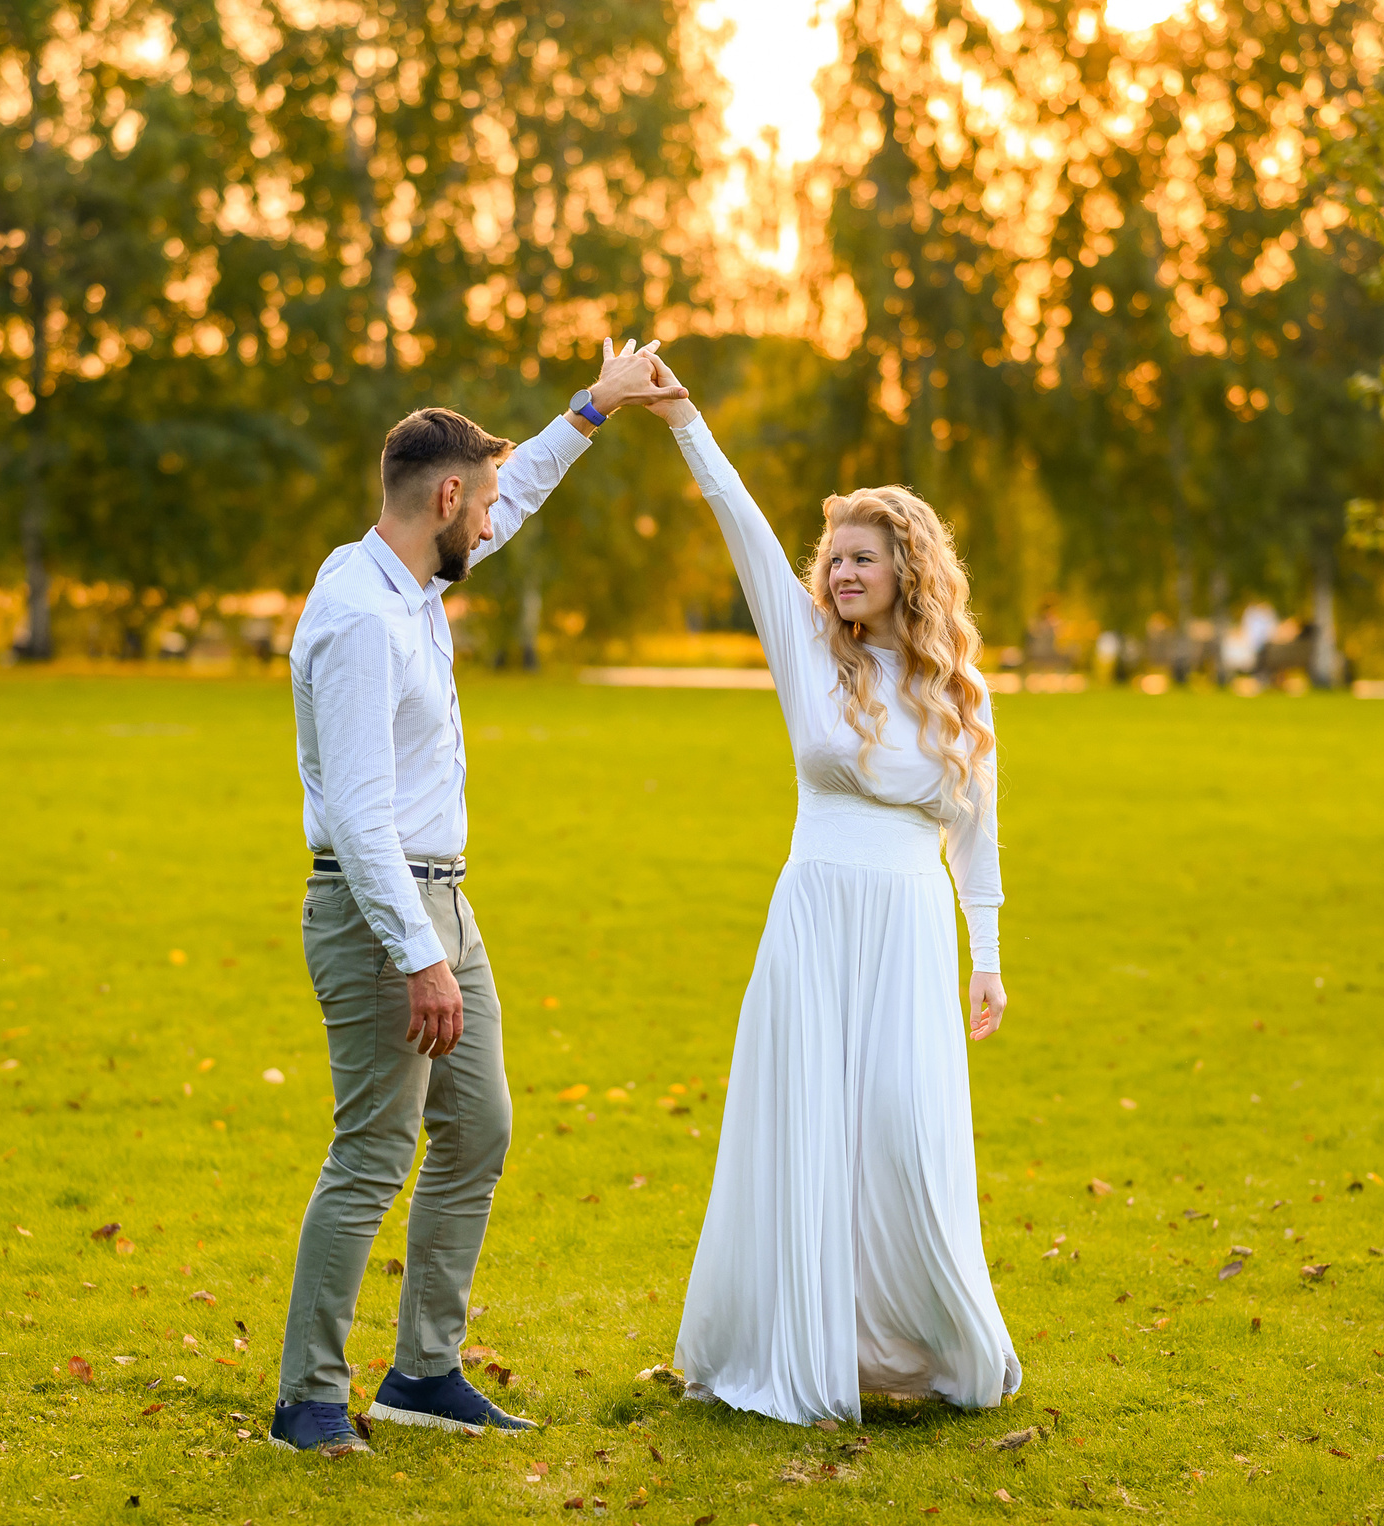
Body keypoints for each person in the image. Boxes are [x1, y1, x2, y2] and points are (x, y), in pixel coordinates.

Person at [269, 341, 686, 1457]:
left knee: (479, 1127)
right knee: (373, 1151)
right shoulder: (361, 618)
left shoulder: (408, 576)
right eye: (485, 503)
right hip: (381, 912)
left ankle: (422, 1372)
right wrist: (419, 956)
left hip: (443, 900)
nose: (496, 522)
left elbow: (520, 491)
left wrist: (593, 409)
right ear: (447, 499)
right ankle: (307, 1401)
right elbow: (362, 820)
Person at [644, 355, 1021, 1426]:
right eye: (833, 559)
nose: (841, 572)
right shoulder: (809, 650)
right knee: (808, 1129)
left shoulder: (960, 690)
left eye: (862, 557)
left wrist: (986, 956)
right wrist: (684, 419)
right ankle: (799, 1348)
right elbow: (742, 526)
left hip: (909, 923)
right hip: (816, 914)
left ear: (908, 567)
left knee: (902, 1129)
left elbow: (977, 832)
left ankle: (922, 1342)